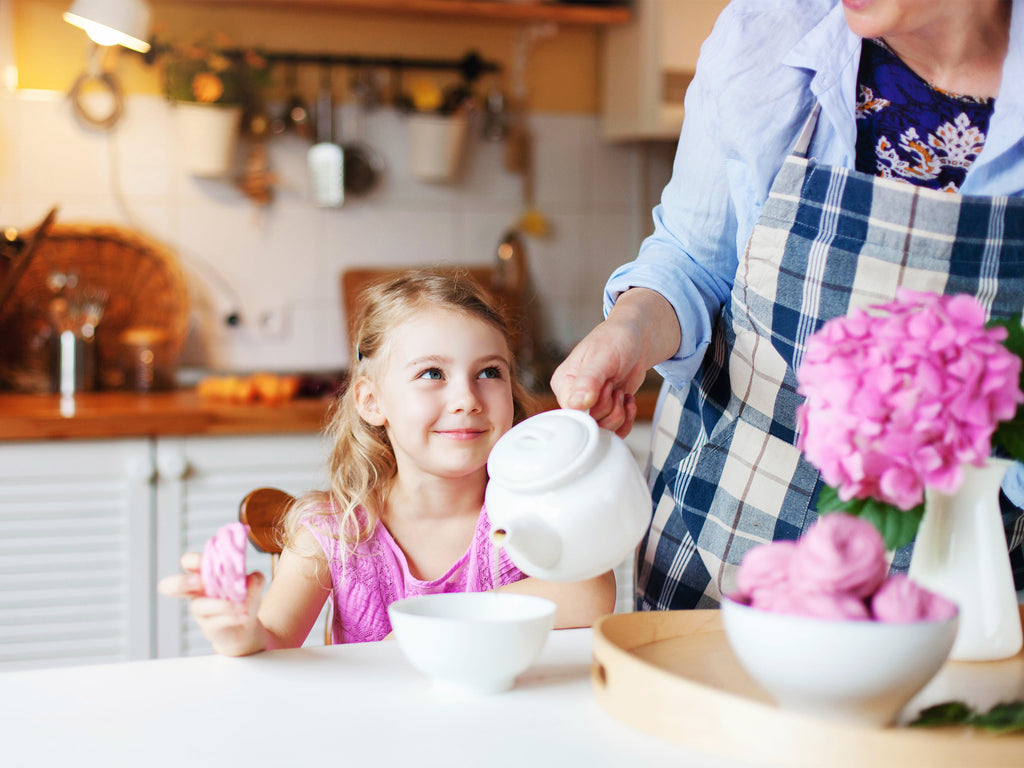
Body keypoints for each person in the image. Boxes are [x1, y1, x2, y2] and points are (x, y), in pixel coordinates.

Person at [551, 0, 1024, 611]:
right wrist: (631, 328)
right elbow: (694, 259)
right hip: (722, 551)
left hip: (973, 579)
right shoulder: (766, 36)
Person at [160, 269, 616, 655]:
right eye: (432, 373)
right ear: (372, 401)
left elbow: (592, 594)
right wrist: (239, 634)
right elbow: (274, 642)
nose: (466, 398)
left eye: (489, 372)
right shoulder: (336, 531)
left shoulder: (531, 516)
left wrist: (438, 623)